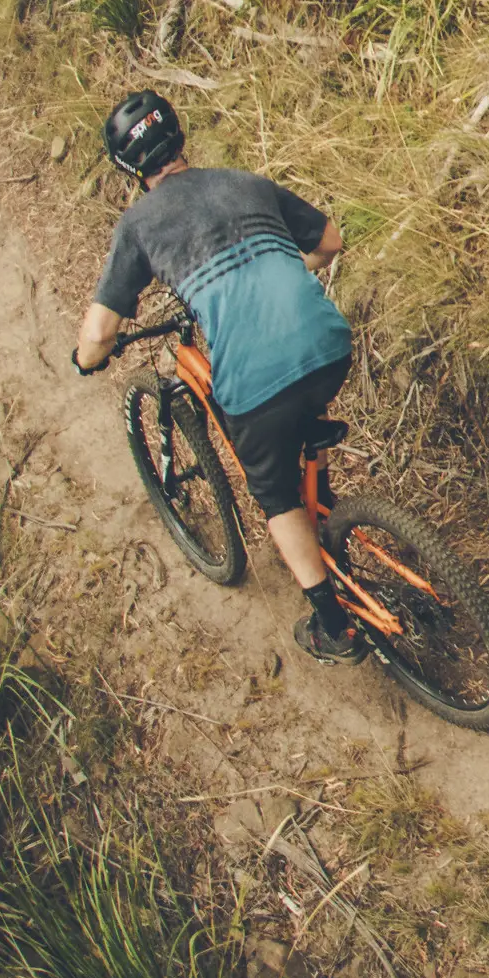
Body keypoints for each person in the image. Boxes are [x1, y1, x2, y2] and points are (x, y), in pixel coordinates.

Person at [71, 89, 365, 661]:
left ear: (131, 167)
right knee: (300, 407)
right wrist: (278, 267)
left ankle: (334, 627)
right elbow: (330, 242)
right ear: (178, 138)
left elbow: (100, 334)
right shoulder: (246, 182)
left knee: (274, 493)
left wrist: (87, 361)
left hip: (261, 379)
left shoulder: (138, 224)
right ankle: (328, 508)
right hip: (330, 345)